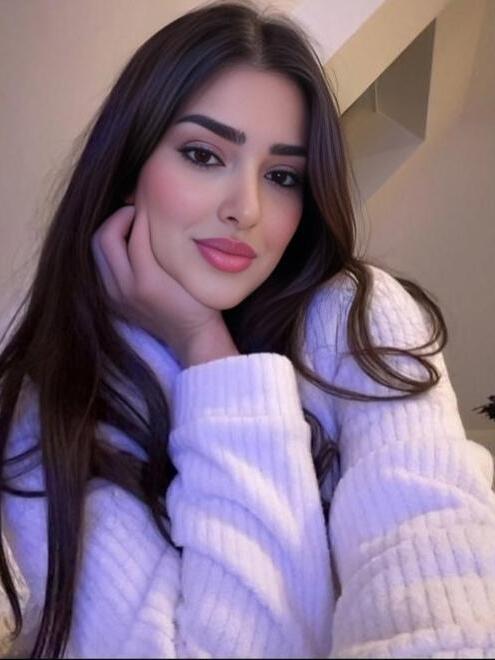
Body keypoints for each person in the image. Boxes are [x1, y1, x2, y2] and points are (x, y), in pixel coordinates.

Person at [1, 0, 494, 657]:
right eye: (203, 155)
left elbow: (429, 547)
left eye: (283, 176)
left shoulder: (357, 314)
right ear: (127, 171)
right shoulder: (47, 407)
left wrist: (201, 339)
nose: (248, 209)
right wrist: (205, 349)